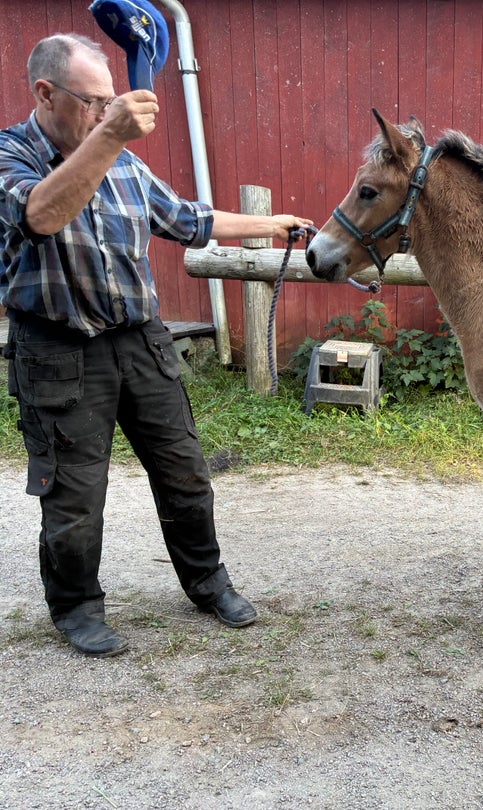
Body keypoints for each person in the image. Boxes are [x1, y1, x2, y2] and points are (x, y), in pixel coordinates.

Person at [0, 33, 313, 658]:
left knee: (186, 476)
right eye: (93, 102)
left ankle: (207, 582)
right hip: (59, 350)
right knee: (74, 496)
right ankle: (77, 609)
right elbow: (41, 214)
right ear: (45, 93)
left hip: (141, 342)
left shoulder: (125, 162)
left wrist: (269, 225)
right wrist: (109, 134)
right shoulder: (11, 156)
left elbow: (189, 219)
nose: (106, 112)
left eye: (110, 101)